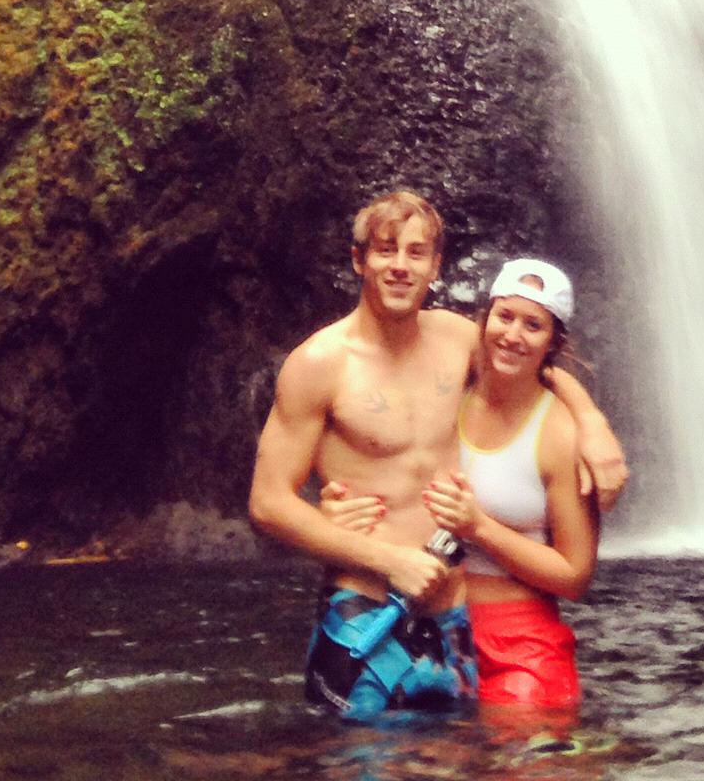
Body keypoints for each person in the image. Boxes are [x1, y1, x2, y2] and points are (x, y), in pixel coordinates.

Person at [247, 191, 626, 721]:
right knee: (363, 764)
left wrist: (591, 421)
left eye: (416, 253)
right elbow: (267, 504)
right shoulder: (318, 364)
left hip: (452, 614)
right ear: (359, 260)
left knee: (457, 763)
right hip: (368, 608)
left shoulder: (455, 338)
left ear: (435, 266)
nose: (400, 266)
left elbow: (527, 356)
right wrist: (390, 559)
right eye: (385, 250)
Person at [326, 257, 597, 710]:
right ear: (484, 319)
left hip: (519, 639)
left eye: (533, 325)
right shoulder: (448, 393)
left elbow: (575, 577)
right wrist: (332, 511)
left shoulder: (560, 433)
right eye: (504, 316)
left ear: (553, 341)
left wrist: (481, 530)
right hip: (430, 626)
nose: (512, 335)